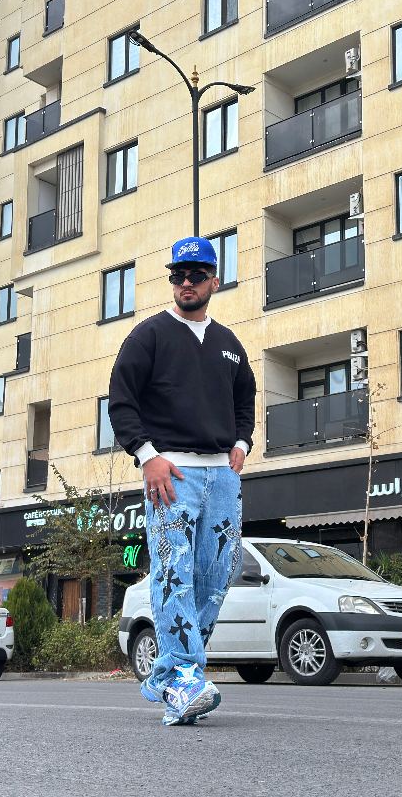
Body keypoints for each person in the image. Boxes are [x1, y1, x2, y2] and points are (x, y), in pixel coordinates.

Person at [109, 236, 256, 725]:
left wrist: (242, 443)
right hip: (170, 472)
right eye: (178, 275)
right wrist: (146, 456)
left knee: (217, 574)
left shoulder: (229, 344)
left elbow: (246, 399)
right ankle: (183, 677)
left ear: (215, 280)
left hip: (222, 475)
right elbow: (121, 400)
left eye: (196, 275)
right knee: (174, 571)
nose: (186, 283)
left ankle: (174, 677)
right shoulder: (149, 335)